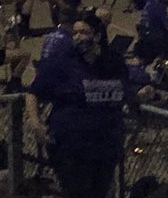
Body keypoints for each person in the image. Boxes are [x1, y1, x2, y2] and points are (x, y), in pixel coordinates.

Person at [28, 13, 132, 198]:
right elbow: (34, 92)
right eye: (74, 33)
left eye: (83, 33)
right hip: (71, 145)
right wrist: (36, 123)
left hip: (105, 144)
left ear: (97, 35)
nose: (77, 37)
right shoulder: (62, 62)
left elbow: (124, 90)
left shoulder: (113, 62)